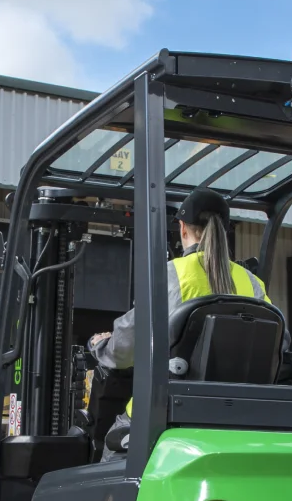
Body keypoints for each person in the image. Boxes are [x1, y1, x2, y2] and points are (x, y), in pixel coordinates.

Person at [89, 187, 278, 457]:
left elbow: (124, 351)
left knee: (110, 447)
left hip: (171, 411)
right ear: (224, 229)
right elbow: (278, 347)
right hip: (240, 416)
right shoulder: (252, 282)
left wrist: (101, 346)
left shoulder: (170, 274)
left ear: (182, 228)